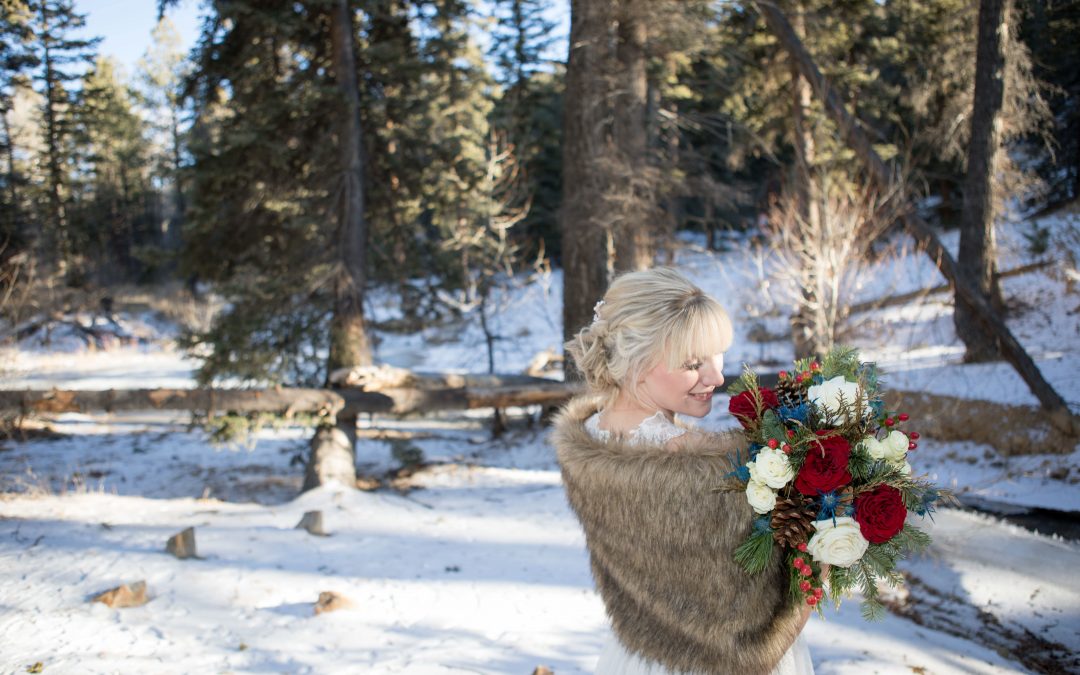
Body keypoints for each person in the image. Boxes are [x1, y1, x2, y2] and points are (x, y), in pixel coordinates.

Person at [552, 267, 814, 675]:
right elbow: (746, 612)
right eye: (693, 363)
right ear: (636, 362)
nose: (717, 376)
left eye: (717, 355)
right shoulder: (687, 459)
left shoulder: (591, 434)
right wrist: (824, 543)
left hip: (639, 653)